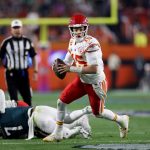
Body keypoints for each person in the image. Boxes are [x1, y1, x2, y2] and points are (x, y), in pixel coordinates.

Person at [43, 13, 129, 142]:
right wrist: (60, 66)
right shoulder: (72, 41)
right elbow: (68, 59)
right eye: (75, 29)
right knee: (61, 102)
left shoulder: (91, 44)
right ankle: (58, 133)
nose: (77, 32)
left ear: (85, 28)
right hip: (82, 80)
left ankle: (121, 119)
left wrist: (70, 69)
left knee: (98, 113)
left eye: (80, 28)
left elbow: (93, 68)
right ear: (71, 29)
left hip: (96, 83)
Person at [0, 89, 91, 139]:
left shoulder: (4, 113)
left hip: (35, 118)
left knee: (63, 133)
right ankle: (81, 119)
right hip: (37, 110)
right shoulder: (7, 113)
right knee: (66, 121)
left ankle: (78, 128)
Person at [0, 19, 38, 106]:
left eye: (18, 27)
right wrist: (5, 65)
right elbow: (1, 56)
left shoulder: (27, 41)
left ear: (22, 28)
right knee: (13, 99)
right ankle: (16, 119)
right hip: (11, 74)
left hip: (23, 73)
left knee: (27, 98)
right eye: (15, 27)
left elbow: (34, 56)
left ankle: (28, 118)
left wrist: (36, 71)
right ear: (11, 29)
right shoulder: (6, 42)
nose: (17, 29)